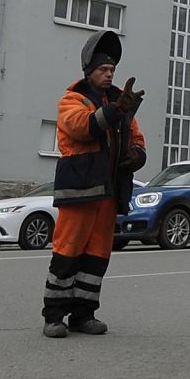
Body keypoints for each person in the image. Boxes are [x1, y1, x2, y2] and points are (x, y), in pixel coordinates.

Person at [43, 29, 147, 338]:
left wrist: (137, 156)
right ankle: (53, 317)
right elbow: (84, 127)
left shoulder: (120, 104)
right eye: (103, 69)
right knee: (67, 252)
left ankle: (83, 316)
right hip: (80, 192)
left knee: (97, 256)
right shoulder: (72, 100)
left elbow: (137, 139)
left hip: (107, 193)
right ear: (89, 72)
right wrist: (117, 109)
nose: (109, 73)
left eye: (112, 69)